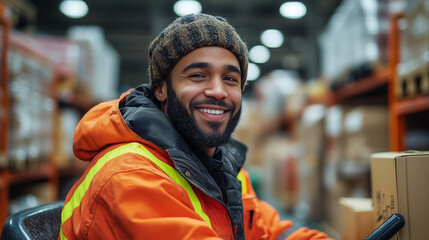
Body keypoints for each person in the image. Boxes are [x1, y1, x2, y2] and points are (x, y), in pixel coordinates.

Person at [59, 13, 334, 240]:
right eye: (198, 75)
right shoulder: (130, 176)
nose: (218, 91)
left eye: (230, 79)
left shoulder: (224, 171)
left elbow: (273, 233)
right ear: (161, 90)